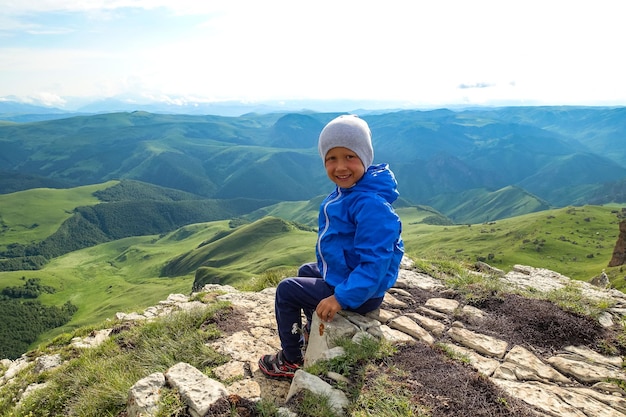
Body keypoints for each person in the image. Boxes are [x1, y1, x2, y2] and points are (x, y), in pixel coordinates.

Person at [258, 114, 404, 379]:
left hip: (361, 293)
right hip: (348, 276)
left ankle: (291, 359)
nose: (340, 167)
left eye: (350, 157)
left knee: (287, 290)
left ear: (365, 157)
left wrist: (340, 298)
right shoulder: (351, 192)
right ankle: (313, 328)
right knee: (305, 270)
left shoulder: (370, 205)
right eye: (331, 159)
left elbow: (375, 264)